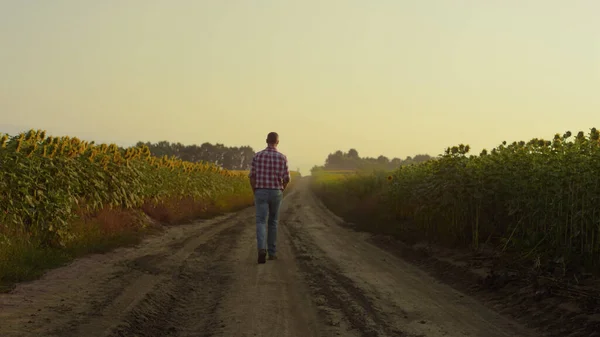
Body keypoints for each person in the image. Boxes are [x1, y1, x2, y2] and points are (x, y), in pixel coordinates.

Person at [248, 132, 291, 264]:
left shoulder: (257, 156)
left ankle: (262, 249)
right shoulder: (282, 157)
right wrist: (282, 188)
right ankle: (272, 253)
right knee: (273, 222)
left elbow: (252, 176)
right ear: (278, 142)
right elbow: (287, 178)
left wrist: (255, 190)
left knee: (261, 221)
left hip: (260, 191)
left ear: (266, 140)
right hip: (276, 192)